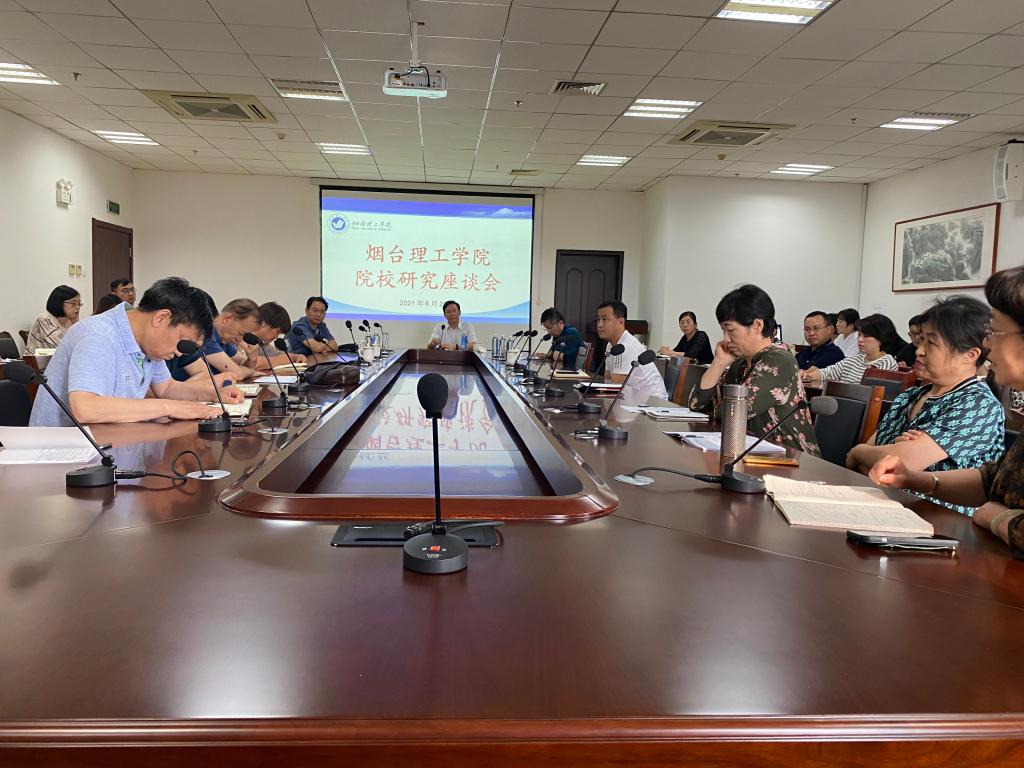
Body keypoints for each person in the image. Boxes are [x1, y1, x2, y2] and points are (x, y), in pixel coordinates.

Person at [867, 266, 1024, 555]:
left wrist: (999, 518)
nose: (986, 342)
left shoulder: (976, 402)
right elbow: (995, 479)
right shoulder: (915, 394)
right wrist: (918, 479)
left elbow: (995, 505)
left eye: (994, 331)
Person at [846, 297, 1004, 515]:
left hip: (940, 520)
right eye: (920, 340)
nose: (919, 351)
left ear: (970, 355)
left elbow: (902, 462)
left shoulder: (978, 404)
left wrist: (859, 452)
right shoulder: (910, 396)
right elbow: (865, 465)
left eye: (932, 343)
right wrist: (870, 454)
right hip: (884, 506)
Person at [29, 277, 241, 427]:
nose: (179, 353)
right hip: (63, 457)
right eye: (181, 341)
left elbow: (166, 388)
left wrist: (212, 394)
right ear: (161, 318)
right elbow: (85, 408)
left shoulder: (147, 341)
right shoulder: (98, 335)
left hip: (111, 441)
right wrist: (168, 407)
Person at [691, 284, 819, 455]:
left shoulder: (779, 361)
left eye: (730, 330)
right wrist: (719, 363)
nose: (726, 339)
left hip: (792, 460)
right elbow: (696, 405)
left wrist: (717, 409)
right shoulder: (740, 364)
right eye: (723, 331)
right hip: (751, 454)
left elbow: (730, 413)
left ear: (757, 325)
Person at [800, 313, 902, 386]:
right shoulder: (854, 360)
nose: (860, 340)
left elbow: (871, 393)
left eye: (866, 336)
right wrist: (807, 375)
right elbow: (827, 372)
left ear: (882, 338)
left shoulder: (886, 362)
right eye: (859, 335)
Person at [596, 300, 668, 404]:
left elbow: (616, 387)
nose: (599, 325)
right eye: (598, 319)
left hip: (653, 403)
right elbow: (607, 379)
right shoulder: (611, 346)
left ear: (620, 322)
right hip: (633, 400)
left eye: (604, 319)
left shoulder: (626, 346)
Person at [178, 298, 262, 381]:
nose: (239, 340)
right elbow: (237, 374)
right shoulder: (205, 335)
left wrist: (252, 358)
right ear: (227, 319)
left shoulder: (225, 337)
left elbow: (240, 363)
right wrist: (251, 372)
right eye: (240, 333)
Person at [235, 302, 306, 371]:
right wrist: (285, 359)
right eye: (277, 331)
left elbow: (278, 354)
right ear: (264, 323)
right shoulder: (242, 337)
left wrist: (297, 356)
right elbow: (252, 363)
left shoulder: (262, 343)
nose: (276, 337)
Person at [26, 285, 81, 352]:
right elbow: (62, 346)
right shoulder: (45, 320)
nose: (78, 307)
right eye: (73, 303)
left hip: (58, 358)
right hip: (35, 358)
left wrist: (76, 324)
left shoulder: (69, 323)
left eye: (79, 303)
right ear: (59, 302)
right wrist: (76, 326)